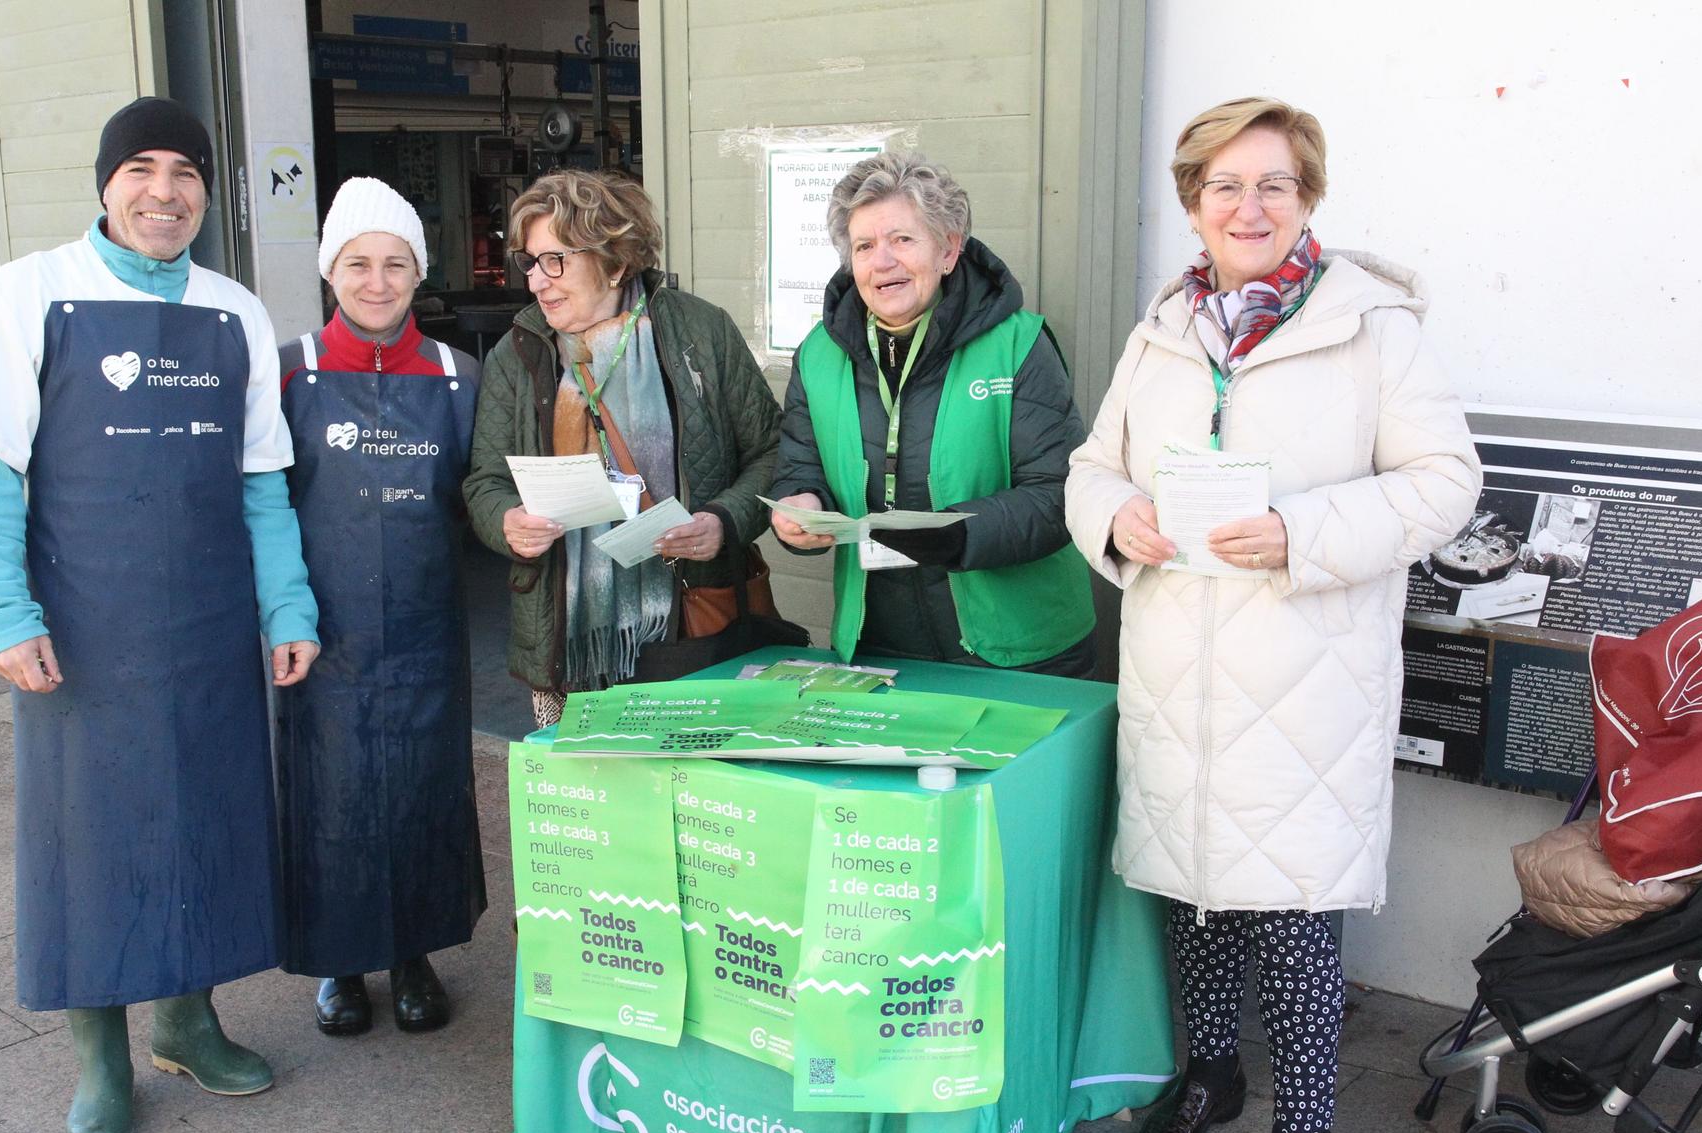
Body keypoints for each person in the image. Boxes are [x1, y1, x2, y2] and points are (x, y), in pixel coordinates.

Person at [1066, 97, 1480, 1133]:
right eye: (1223, 186)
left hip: (1304, 681)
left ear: (1307, 199)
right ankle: (1210, 1075)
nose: (1247, 207)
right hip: (1172, 673)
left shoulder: (1371, 329)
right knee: (1191, 897)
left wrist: (1298, 531)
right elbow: (1091, 465)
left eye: (1274, 185)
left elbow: (1444, 483)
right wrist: (1118, 517)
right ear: (1190, 201)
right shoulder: (1161, 330)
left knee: (1293, 919)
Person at [0, 96, 319, 1133]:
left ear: (206, 190)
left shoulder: (234, 310)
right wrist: (0, 612)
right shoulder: (27, 295)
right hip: (81, 624)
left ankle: (189, 1023)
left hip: (205, 619)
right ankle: (100, 1057)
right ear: (107, 183)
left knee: (203, 818)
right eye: (141, 168)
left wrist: (285, 603)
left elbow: (261, 484)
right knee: (88, 838)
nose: (164, 191)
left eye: (185, 171)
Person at [275, 178, 485, 1037]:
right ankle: (340, 965)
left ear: (417, 272)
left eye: (395, 263)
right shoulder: (287, 371)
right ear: (331, 271)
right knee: (330, 794)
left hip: (428, 631)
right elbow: (261, 502)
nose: (376, 280)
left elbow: (484, 496)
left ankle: (414, 955)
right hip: (325, 637)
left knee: (424, 793)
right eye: (357, 263)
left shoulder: (457, 376)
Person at [463, 170, 780, 723]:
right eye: (530, 263)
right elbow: (484, 481)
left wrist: (723, 521)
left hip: (691, 622)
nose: (538, 281)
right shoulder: (518, 355)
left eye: (555, 260)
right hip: (566, 641)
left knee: (693, 796)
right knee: (587, 802)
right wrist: (505, 521)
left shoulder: (699, 333)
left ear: (613, 260)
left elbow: (774, 452)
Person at [768, 150, 1095, 675]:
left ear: (948, 250)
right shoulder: (818, 354)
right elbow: (800, 466)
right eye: (865, 246)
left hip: (1019, 647)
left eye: (902, 239)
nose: (883, 262)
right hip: (881, 637)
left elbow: (1061, 493)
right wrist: (802, 505)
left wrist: (957, 534)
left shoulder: (1018, 344)